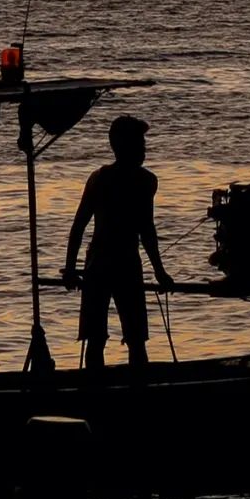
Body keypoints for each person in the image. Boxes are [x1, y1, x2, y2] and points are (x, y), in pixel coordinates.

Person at [63, 114, 174, 370]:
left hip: (110, 263)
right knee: (110, 338)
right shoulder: (135, 181)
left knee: (122, 338)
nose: (144, 150)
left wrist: (70, 269)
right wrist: (159, 271)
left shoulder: (120, 180)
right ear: (122, 146)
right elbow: (146, 230)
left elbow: (146, 230)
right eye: (139, 144)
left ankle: (110, 387)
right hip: (111, 264)